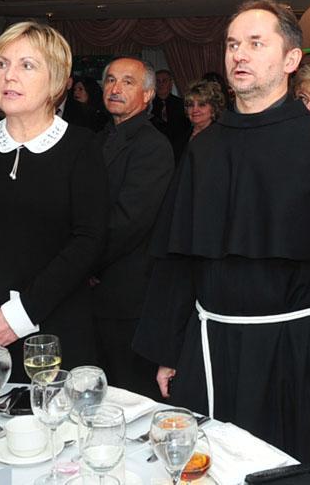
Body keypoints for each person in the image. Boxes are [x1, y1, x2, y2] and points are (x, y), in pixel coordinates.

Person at [133, 0, 310, 462]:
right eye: (233, 44)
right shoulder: (203, 151)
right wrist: (169, 350)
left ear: (291, 59)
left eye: (256, 43)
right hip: (212, 350)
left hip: (301, 356)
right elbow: (178, 261)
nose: (239, 54)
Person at [0, 22, 108, 368]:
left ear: (55, 81)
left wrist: (21, 314)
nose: (9, 76)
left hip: (55, 331)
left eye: (26, 65)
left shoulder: (82, 147)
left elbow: (88, 241)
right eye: (2, 64)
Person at [93, 57, 174, 399]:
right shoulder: (97, 138)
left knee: (128, 398)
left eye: (128, 82)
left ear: (148, 94)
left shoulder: (153, 147)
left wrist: (81, 262)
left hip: (128, 296)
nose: (115, 88)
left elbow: (128, 222)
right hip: (93, 292)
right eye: (111, 80)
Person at [150, 69, 191, 160]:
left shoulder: (182, 104)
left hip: (179, 152)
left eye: (164, 81)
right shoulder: (148, 106)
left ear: (171, 84)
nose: (161, 84)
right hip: (155, 152)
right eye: (158, 81)